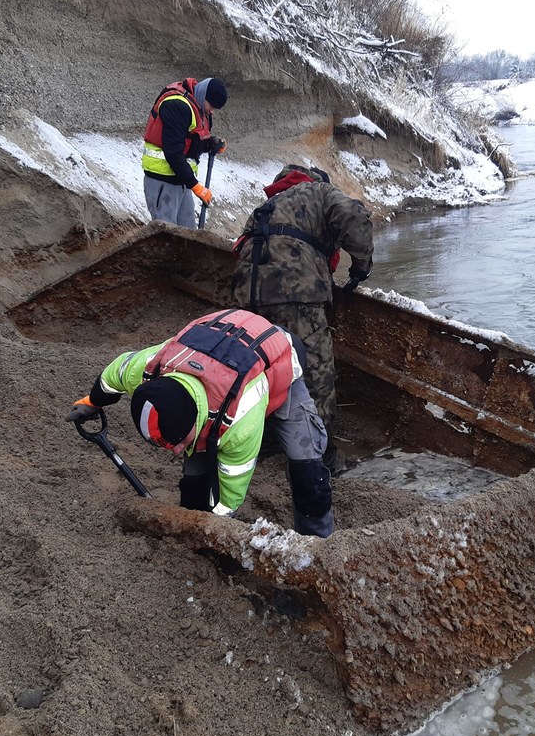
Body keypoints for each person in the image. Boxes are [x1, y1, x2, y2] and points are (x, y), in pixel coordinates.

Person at [66, 308, 335, 537]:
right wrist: (92, 402)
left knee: (308, 471)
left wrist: (211, 525)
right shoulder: (148, 369)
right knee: (194, 482)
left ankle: (317, 541)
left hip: (277, 361)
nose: (175, 451)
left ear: (196, 419)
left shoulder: (240, 420)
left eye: (179, 441)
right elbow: (112, 376)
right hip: (220, 343)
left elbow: (230, 497)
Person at [230, 164, 373, 473]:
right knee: (316, 375)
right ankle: (322, 458)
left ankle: (266, 442)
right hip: (294, 294)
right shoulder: (317, 191)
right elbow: (352, 215)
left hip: (247, 300)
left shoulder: (264, 208)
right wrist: (362, 264)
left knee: (263, 371)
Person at [142, 76, 228, 228]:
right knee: (167, 236)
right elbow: (173, 152)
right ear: (203, 96)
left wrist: (211, 144)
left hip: (180, 180)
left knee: (189, 236)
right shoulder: (177, 105)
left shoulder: (199, 107)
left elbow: (192, 140)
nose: (212, 112)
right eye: (212, 106)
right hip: (162, 180)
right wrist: (195, 185)